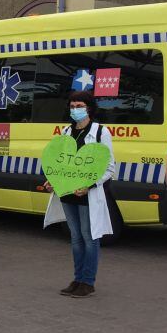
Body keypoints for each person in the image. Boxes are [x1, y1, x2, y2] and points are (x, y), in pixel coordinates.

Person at [43, 91, 116, 298]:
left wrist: (90, 185)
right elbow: (60, 162)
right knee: (75, 238)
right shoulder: (67, 131)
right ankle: (77, 279)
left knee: (89, 237)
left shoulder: (101, 132)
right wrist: (53, 180)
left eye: (79, 105)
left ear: (89, 107)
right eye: (72, 106)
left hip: (87, 194)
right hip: (67, 193)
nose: (75, 109)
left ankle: (88, 281)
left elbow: (109, 167)